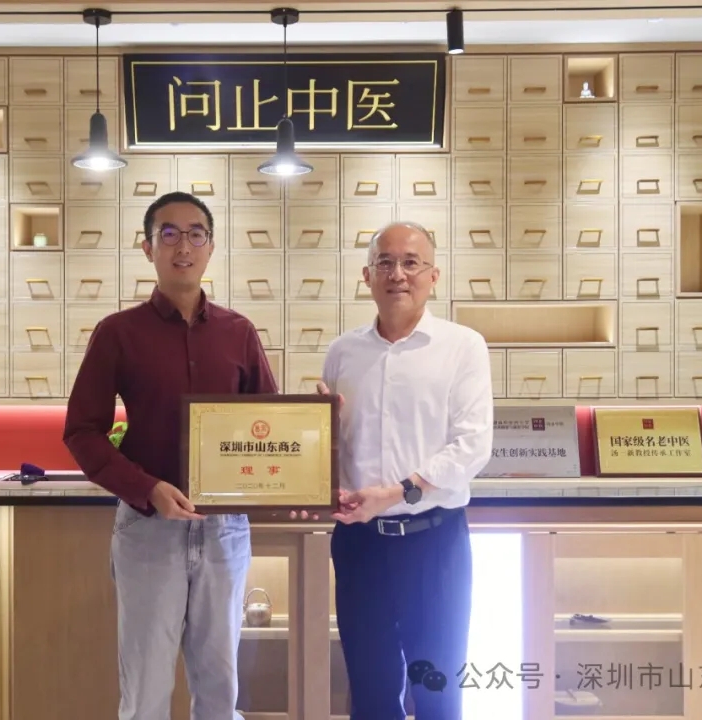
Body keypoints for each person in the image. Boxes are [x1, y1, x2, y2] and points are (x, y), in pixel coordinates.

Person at [64, 190, 311, 720]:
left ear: (211, 247)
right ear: (147, 247)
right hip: (148, 529)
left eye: (196, 234)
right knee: (146, 690)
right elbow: (82, 432)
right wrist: (146, 488)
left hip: (224, 530)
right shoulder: (118, 333)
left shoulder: (238, 333)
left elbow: (268, 428)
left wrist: (307, 447)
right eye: (169, 234)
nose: (183, 246)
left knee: (220, 689)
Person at [316, 221, 494, 720]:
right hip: (360, 546)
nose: (398, 274)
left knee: (438, 692)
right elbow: (336, 447)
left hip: (433, 544)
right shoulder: (343, 352)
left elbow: (473, 444)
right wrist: (318, 448)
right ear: (367, 276)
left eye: (411, 262)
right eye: (385, 262)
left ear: (433, 275)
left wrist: (399, 492)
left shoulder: (463, 346)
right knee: (370, 693)